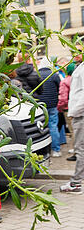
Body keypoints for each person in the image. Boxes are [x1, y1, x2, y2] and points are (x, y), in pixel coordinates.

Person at [63, 55, 84, 194]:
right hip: (79, 112)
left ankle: (76, 183)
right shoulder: (80, 67)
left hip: (80, 114)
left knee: (80, 148)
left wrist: (74, 111)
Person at [36, 60, 62, 157]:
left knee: (41, 128)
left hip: (41, 106)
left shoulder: (37, 74)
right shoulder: (54, 75)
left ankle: (44, 151)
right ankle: (56, 150)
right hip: (52, 105)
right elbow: (60, 87)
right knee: (53, 126)